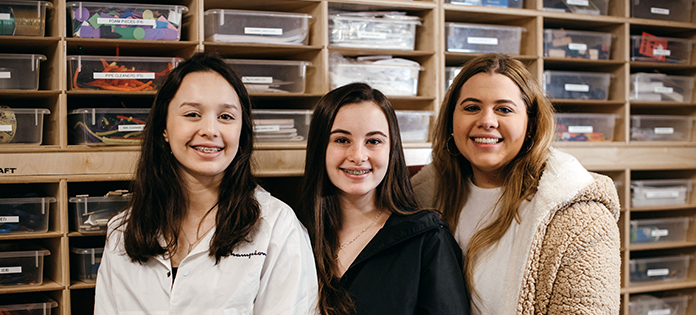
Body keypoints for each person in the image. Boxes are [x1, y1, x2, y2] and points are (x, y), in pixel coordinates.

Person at [94, 52, 318, 314]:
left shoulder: (278, 227)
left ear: (241, 131)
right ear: (163, 128)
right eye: (192, 114)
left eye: (226, 117)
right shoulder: (122, 231)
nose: (210, 130)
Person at [411, 53, 620, 314]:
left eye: (504, 109)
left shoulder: (580, 218)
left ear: (530, 125)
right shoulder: (421, 200)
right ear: (452, 120)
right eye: (471, 107)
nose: (487, 121)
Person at [298, 82, 470, 315]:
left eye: (374, 141)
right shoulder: (296, 234)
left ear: (392, 150)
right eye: (341, 140)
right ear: (320, 148)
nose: (358, 156)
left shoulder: (426, 237)